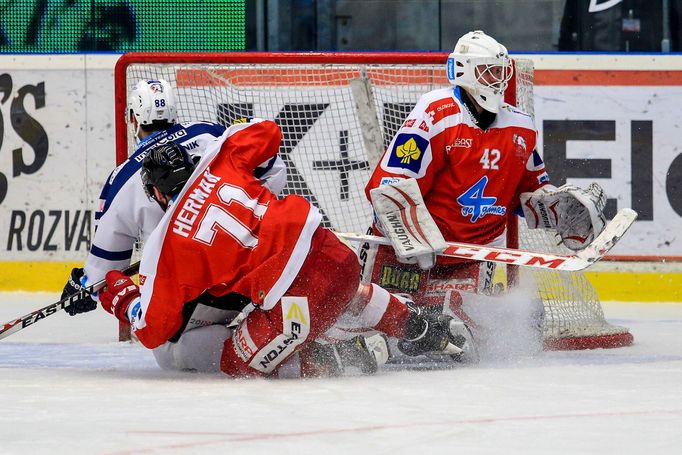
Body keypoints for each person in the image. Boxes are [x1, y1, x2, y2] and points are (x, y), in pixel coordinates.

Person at [97, 119, 476, 378]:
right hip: (335, 255)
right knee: (343, 293)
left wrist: (118, 294)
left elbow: (151, 331)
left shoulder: (167, 249)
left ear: (158, 194)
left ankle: (354, 353)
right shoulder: (219, 161)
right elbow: (268, 132)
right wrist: (222, 149)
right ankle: (423, 325)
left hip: (297, 302)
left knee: (236, 361)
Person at [362, 30, 608, 342]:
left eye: (500, 72)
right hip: (402, 257)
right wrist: (412, 239)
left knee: (472, 338)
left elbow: (529, 189)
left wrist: (555, 208)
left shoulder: (520, 125)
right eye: (488, 71)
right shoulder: (436, 112)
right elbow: (391, 185)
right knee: (387, 335)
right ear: (463, 72)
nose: (497, 80)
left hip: (472, 257)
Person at [59, 79, 286, 372]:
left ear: (132, 118)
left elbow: (103, 274)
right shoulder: (210, 133)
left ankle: (250, 351)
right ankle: (278, 331)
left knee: (168, 349)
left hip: (196, 287)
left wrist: (83, 286)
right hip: (257, 262)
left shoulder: (121, 180)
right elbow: (274, 169)